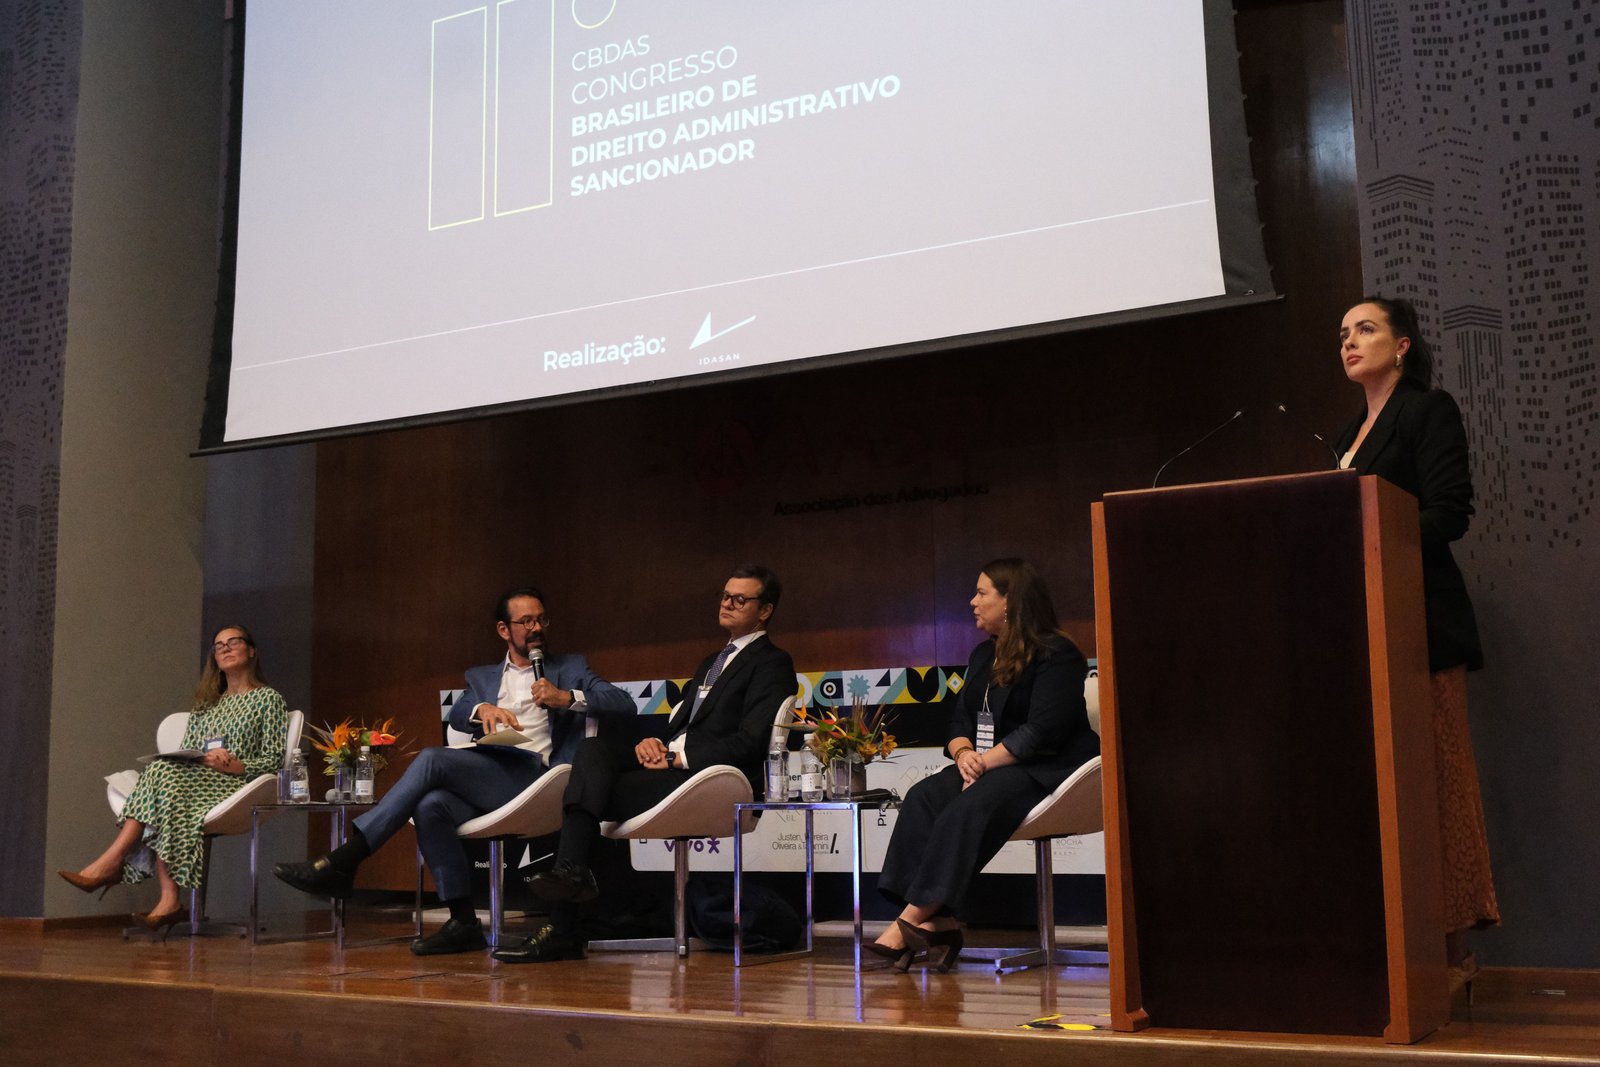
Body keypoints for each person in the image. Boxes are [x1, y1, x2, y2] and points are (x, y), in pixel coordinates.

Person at [274, 586, 635, 955]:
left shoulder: (571, 668)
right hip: (494, 771)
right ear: (503, 630)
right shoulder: (481, 677)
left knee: (432, 759)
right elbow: (461, 713)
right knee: (431, 805)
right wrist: (482, 709)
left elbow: (624, 703)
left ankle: (346, 859)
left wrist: (566, 697)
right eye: (525, 621)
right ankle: (463, 922)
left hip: (540, 779)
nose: (536, 628)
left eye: (541, 619)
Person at [492, 564, 797, 963]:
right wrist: (657, 744)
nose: (726, 604)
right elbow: (684, 725)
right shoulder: (712, 661)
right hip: (675, 767)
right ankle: (571, 879)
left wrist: (677, 756)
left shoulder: (772, 663)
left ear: (765, 610)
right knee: (593, 751)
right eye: (724, 596)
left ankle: (564, 922)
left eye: (740, 599)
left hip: (712, 778)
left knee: (587, 790)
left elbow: (752, 740)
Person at [1332, 296, 1499, 980]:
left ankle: (1453, 952)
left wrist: (1370, 539)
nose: (1350, 341)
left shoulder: (1427, 410)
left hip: (1419, 627)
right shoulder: (1346, 433)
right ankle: (1396, 950)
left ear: (1402, 345)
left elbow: (1448, 513)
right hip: (1360, 632)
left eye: (1366, 329)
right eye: (1344, 333)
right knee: (1381, 793)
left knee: (1437, 782)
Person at [869, 559, 1096, 972]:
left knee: (971, 803)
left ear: (1010, 601)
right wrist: (963, 755)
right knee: (923, 796)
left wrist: (983, 764)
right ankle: (939, 922)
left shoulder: (1056, 653)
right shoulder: (982, 654)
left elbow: (1042, 730)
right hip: (992, 765)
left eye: (981, 593)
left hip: (1049, 768)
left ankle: (911, 921)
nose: (972, 602)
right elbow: (959, 722)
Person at [58, 625, 290, 934]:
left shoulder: (268, 699)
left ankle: (114, 863)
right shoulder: (207, 705)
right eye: (218, 645)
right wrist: (205, 757)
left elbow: (274, 760)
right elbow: (189, 751)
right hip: (193, 782)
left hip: (237, 785)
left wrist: (237, 765)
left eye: (233, 642)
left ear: (251, 651)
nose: (224, 648)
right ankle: (167, 899)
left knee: (162, 776)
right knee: (163, 773)